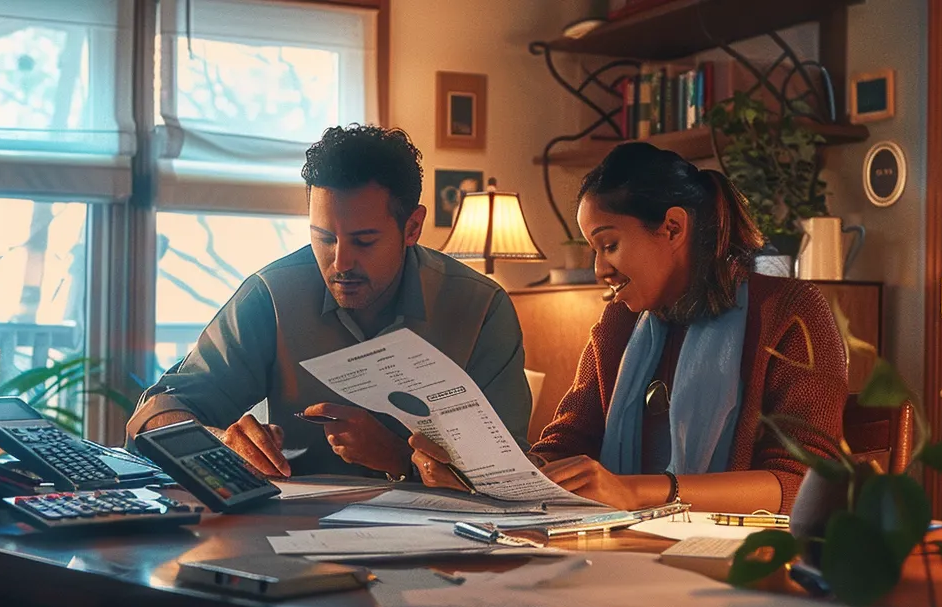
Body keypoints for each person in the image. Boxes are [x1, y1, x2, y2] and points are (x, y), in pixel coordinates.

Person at [410, 142, 846, 514]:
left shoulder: (790, 311)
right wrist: (483, 477)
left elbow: (802, 486)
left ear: (673, 227)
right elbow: (567, 442)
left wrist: (635, 492)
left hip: (737, 566)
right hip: (626, 547)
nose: (600, 268)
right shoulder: (619, 322)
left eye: (610, 245)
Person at [126, 124, 530, 479]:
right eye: (323, 237)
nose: (340, 262)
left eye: (364, 240)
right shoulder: (271, 295)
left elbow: (510, 475)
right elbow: (154, 416)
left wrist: (397, 458)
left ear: (413, 227)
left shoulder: (482, 309)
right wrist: (222, 445)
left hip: (451, 547)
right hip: (293, 543)